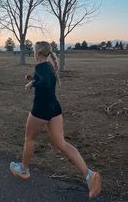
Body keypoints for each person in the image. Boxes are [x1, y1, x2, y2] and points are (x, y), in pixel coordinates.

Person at [9, 41, 101, 198]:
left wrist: (34, 83)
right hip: (55, 109)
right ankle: (89, 175)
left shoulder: (40, 66)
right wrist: (32, 79)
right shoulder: (49, 66)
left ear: (36, 53)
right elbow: (45, 79)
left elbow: (44, 82)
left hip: (41, 110)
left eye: (33, 51)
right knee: (61, 143)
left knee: (29, 139)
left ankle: (24, 170)